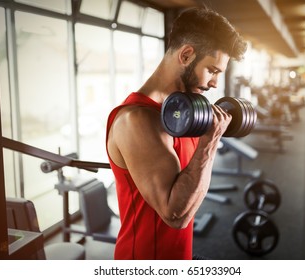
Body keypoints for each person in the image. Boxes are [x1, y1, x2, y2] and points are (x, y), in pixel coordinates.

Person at [106, 7, 247, 260]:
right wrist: (209, 143)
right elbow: (175, 216)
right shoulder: (136, 120)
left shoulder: (184, 114)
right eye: (213, 70)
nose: (215, 83)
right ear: (186, 55)